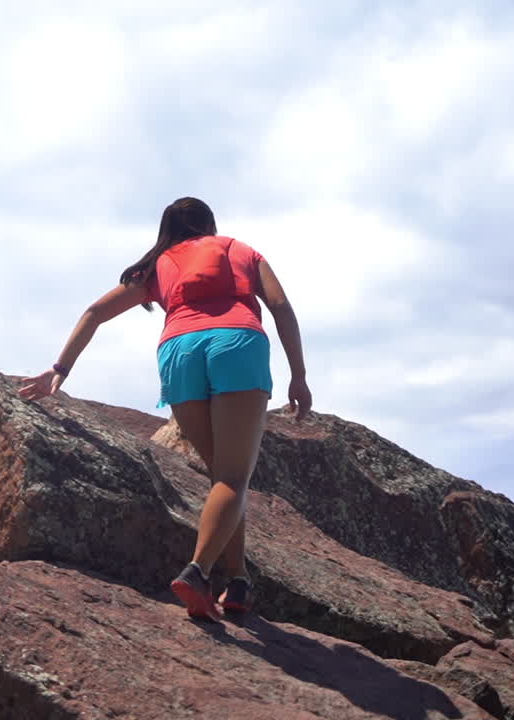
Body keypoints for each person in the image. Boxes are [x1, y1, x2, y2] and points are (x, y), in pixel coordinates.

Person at [18, 197, 312, 621]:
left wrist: (58, 369)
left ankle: (238, 581)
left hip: (178, 352)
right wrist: (298, 375)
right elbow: (280, 306)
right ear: (209, 225)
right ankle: (197, 572)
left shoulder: (158, 264)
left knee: (223, 480)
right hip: (236, 345)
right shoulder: (238, 249)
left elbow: (95, 312)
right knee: (233, 477)